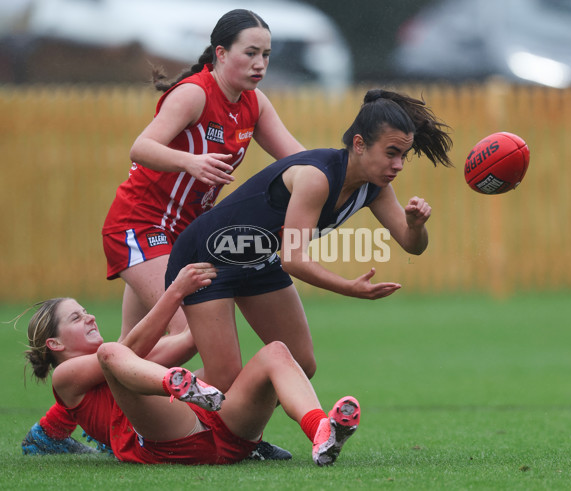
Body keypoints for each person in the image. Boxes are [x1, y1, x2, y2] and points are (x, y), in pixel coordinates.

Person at [22, 8, 304, 459]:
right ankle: (230, 433)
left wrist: (343, 175)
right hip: (141, 226)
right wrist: (190, 162)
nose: (260, 63)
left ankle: (55, 430)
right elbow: (141, 147)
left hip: (184, 235)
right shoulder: (193, 95)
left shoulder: (255, 103)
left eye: (266, 55)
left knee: (134, 346)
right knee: (188, 336)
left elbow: (297, 160)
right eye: (250, 53)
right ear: (219, 53)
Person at [165, 88, 453, 393]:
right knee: (222, 377)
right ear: (359, 144)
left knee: (300, 364)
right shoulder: (317, 177)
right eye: (391, 153)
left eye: (403, 156)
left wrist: (416, 225)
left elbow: (412, 244)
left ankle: (242, 435)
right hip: (208, 257)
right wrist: (349, 288)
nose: (398, 165)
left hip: (257, 259)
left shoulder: (375, 188)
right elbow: (293, 258)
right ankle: (142, 407)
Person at [23, 263, 361, 466]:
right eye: (76, 316)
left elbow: (186, 340)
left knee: (275, 351)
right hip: (165, 440)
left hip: (226, 434)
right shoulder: (66, 377)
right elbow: (127, 350)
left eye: (86, 310)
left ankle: (321, 430)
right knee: (112, 353)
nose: (90, 315)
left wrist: (226, 283)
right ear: (55, 344)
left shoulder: (127, 358)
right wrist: (175, 290)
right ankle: (178, 385)